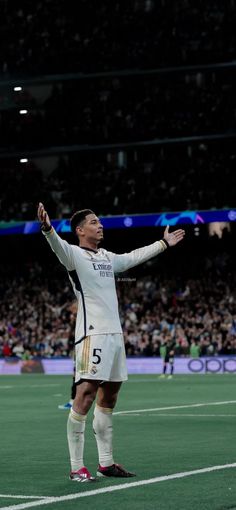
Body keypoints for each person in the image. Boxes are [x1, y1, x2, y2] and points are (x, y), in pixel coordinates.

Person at [37, 202, 185, 482]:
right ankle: (76, 467)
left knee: (109, 399)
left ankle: (106, 463)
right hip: (91, 335)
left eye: (99, 221)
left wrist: (163, 244)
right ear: (80, 230)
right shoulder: (73, 255)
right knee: (85, 396)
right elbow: (56, 244)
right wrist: (47, 229)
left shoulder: (106, 257)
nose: (100, 225)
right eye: (93, 222)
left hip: (115, 336)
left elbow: (132, 258)